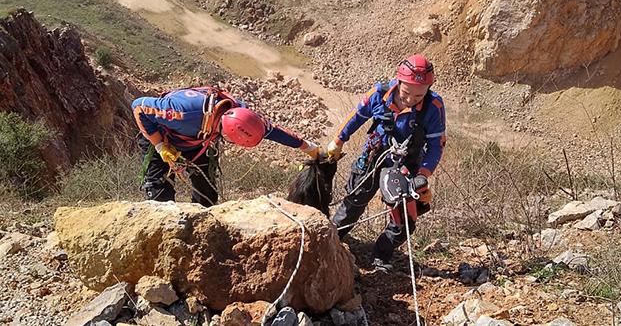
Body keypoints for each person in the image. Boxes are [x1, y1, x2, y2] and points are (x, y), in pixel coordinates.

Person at [324, 55, 447, 271]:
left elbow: (436, 145)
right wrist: (338, 140)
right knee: (354, 203)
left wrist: (423, 175)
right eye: (406, 93)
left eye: (419, 94)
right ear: (398, 82)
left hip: (406, 164)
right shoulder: (380, 94)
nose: (411, 99)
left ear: (429, 88)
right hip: (374, 156)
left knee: (404, 219)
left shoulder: (433, 106)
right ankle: (329, 244)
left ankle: (381, 255)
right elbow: (356, 117)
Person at [132, 85, 320, 207]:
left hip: (199, 142)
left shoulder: (241, 114)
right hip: (162, 138)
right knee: (159, 197)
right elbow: (139, 107)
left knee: (207, 195)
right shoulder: (181, 112)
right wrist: (159, 146)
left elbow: (273, 131)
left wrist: (307, 146)